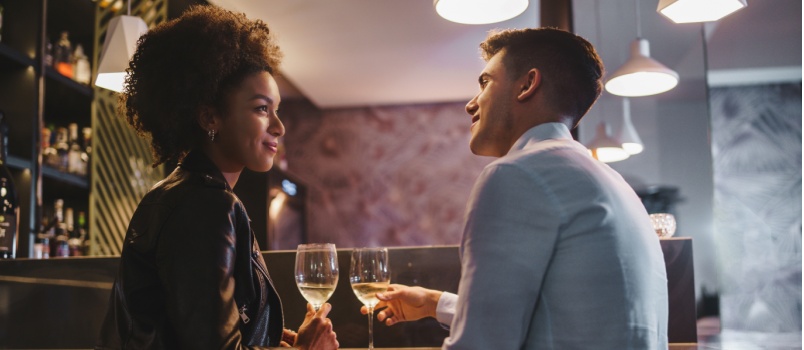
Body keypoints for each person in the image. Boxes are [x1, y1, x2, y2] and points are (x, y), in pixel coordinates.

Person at [363, 28, 668, 349]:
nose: (471, 104)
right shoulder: (614, 185)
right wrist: (434, 303)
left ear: (527, 85)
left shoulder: (518, 174)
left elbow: (483, 343)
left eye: (485, 83)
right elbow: (573, 318)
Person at [95, 6, 338, 350]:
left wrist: (261, 340)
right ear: (210, 117)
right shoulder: (206, 205)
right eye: (261, 108)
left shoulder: (181, 194)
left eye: (277, 109)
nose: (279, 127)